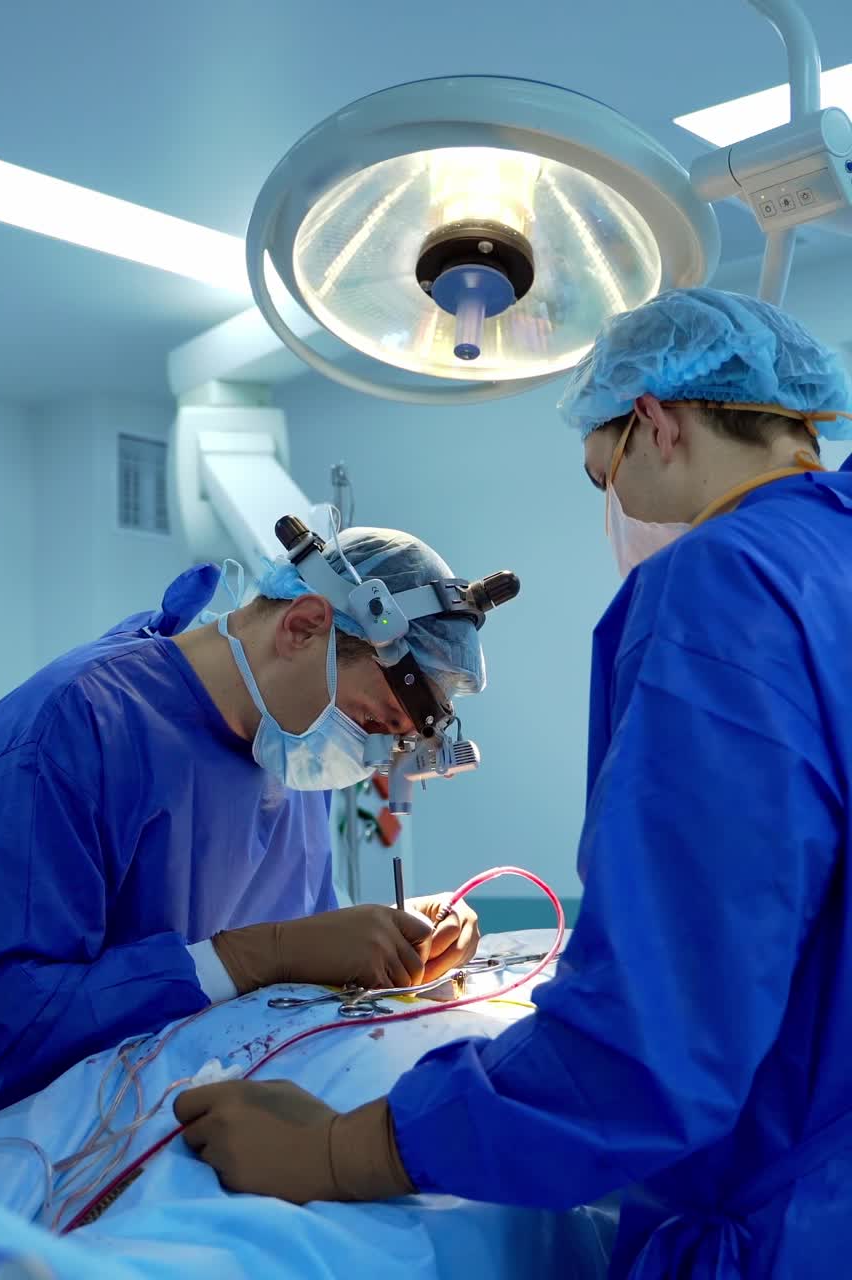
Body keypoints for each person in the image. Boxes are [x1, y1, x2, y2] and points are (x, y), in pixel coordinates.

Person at [175, 288, 852, 1279]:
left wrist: (337, 1147)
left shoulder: (724, 583)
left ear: (655, 422)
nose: (615, 514)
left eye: (599, 477)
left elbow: (650, 1042)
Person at [0, 527, 493, 1157]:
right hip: (27, 1173)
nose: (366, 758)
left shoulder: (291, 748)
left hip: (194, 1150)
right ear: (304, 627)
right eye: (370, 723)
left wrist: (378, 942)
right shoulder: (66, 733)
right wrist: (260, 955)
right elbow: (2, 1033)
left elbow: (295, 953)